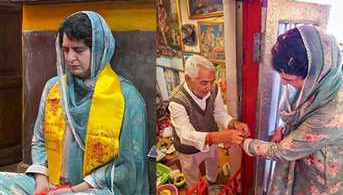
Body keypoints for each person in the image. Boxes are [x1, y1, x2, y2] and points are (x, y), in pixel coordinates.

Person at [0, 11, 149, 194]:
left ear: (99, 49)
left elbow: (127, 166)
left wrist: (75, 190)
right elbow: (39, 141)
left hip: (96, 188)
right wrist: (41, 182)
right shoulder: (54, 88)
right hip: (50, 182)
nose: (70, 58)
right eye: (65, 50)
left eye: (78, 50)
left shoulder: (127, 98)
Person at [242, 26, 343, 194]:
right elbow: (303, 114)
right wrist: (284, 129)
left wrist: (246, 144)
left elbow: (282, 151)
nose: (284, 84)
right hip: (306, 163)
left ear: (314, 74)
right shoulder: (324, 82)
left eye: (288, 79)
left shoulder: (335, 111)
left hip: (321, 181)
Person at [168, 54, 249, 187]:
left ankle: (212, 182)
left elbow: (219, 113)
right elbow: (186, 135)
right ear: (188, 79)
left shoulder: (213, 89)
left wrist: (233, 123)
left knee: (213, 166)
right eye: (204, 82)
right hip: (187, 148)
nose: (210, 87)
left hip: (211, 140)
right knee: (192, 178)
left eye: (212, 81)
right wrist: (220, 137)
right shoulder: (177, 101)